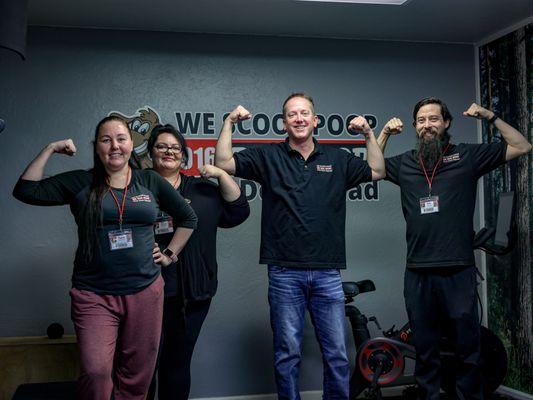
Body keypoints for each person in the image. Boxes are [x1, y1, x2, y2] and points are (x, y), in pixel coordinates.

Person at [12, 116, 198, 400]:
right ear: (96, 146)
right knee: (97, 371)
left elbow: (188, 217)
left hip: (145, 292)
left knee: (138, 375)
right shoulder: (81, 182)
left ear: (130, 145)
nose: (115, 146)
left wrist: (170, 254)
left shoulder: (149, 181)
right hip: (94, 294)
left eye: (121, 139)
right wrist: (50, 148)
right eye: (106, 139)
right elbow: (26, 190)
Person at [215, 93, 385, 400]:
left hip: (327, 273)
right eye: (292, 114)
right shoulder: (268, 157)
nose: (299, 118)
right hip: (284, 273)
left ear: (315, 120)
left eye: (304, 113)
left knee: (336, 355)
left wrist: (370, 134)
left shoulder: (337, 158)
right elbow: (224, 163)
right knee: (286, 354)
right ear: (284, 122)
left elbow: (376, 170)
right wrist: (228, 122)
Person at [378, 98, 531, 400]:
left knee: (467, 349)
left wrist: (490, 116)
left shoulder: (467, 156)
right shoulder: (406, 162)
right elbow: (372, 168)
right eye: (421, 121)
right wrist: (382, 134)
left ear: (446, 123)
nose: (427, 126)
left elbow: (522, 145)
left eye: (433, 119)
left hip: (458, 270)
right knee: (426, 349)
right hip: (418, 272)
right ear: (414, 127)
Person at [145, 124, 250, 400]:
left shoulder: (202, 189)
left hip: (192, 292)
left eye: (175, 148)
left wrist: (218, 173)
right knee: (143, 365)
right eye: (161, 146)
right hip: (144, 290)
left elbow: (239, 211)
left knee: (177, 363)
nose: (169, 152)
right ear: (150, 152)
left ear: (184, 156)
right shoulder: (136, 187)